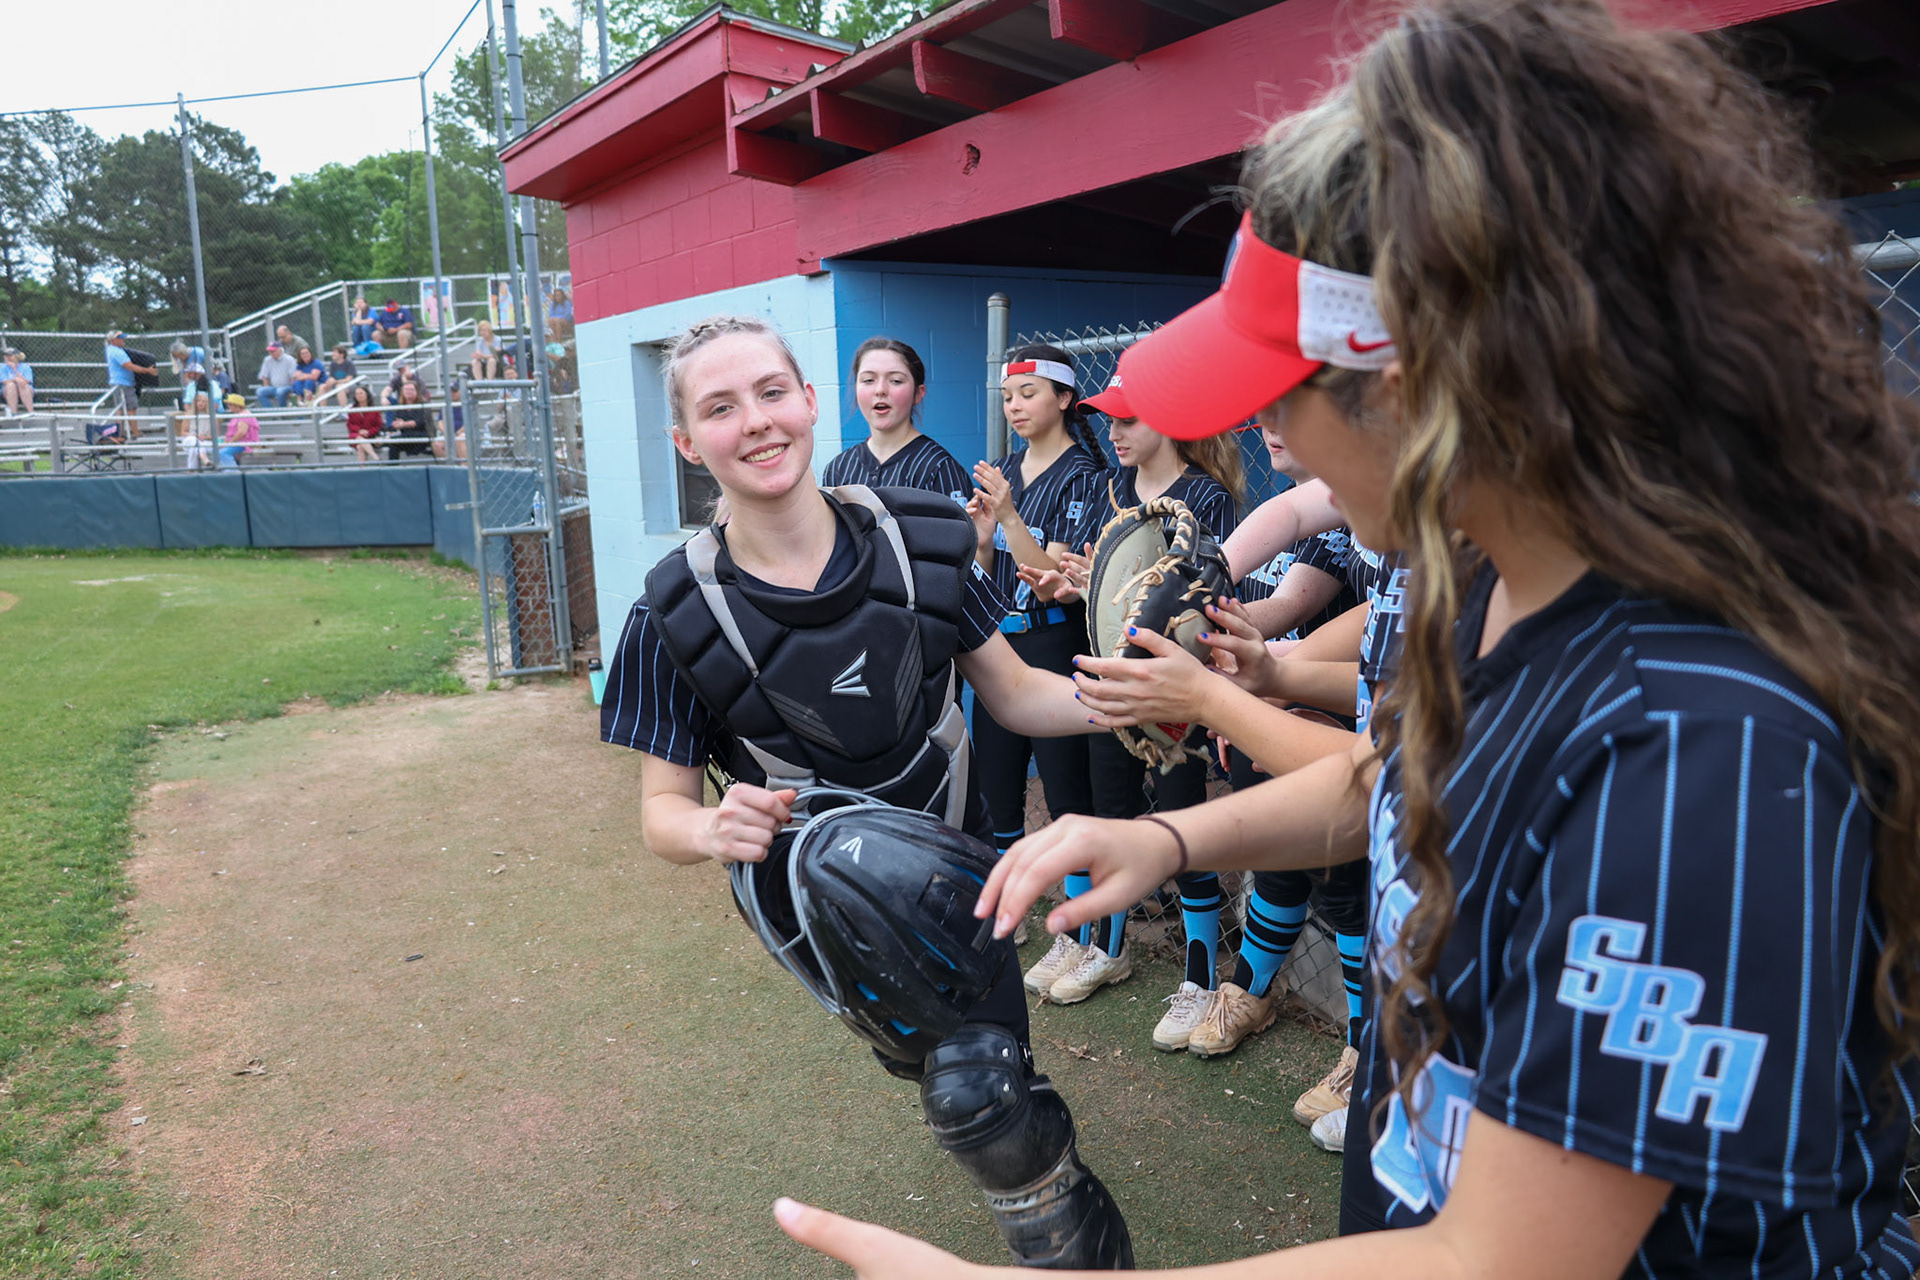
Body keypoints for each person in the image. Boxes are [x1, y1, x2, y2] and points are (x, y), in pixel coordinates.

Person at [775, 2, 1920, 1275]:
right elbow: (1406, 776)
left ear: (1434, 389)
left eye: (1282, 397)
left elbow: (1504, 1259)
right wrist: (1166, 835)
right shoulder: (1487, 576)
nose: (1282, 446)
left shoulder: (1695, 734)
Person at [603, 314, 1133, 1270]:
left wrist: (1141, 701)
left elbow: (1014, 690)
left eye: (771, 392)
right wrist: (709, 827)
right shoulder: (669, 613)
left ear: (809, 403)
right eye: (719, 409)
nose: (756, 422)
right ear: (687, 442)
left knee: (978, 1087)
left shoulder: (921, 539)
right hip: (835, 913)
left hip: (972, 869)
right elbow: (661, 813)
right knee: (960, 1071)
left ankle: (1067, 1235)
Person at [1040, 371, 1243, 1024]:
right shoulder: (1115, 489)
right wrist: (1083, 586)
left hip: (1176, 694)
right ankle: (1109, 948)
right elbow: (1118, 586)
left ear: (1173, 420)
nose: (1115, 431)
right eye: (1110, 419)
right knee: (1113, 813)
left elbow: (1204, 601)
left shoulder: (1205, 497)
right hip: (1112, 680)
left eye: (1130, 419)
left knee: (1180, 831)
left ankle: (1201, 979)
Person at [820, 337, 969, 503]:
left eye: (895, 381)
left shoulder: (939, 468)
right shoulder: (840, 468)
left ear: (918, 393)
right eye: (868, 380)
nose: (880, 390)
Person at [103, 331, 155, 440]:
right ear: (113, 340)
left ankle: (120, 433)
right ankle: (136, 433)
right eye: (119, 338)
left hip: (121, 383)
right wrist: (147, 371)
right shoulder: (117, 352)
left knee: (121, 409)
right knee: (131, 408)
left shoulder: (113, 350)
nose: (122, 339)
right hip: (123, 384)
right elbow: (129, 366)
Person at [384, 380, 435, 461]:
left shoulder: (423, 405)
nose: (408, 392)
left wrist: (404, 424)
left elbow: (420, 422)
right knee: (392, 443)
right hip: (406, 435)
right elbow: (397, 422)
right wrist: (395, 425)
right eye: (406, 390)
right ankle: (392, 469)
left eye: (411, 389)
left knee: (394, 440)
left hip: (423, 434)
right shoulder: (400, 407)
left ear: (417, 391)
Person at [217, 394, 258, 469]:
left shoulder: (244, 415)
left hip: (243, 444)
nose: (228, 407)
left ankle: (232, 472)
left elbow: (241, 432)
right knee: (215, 448)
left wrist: (230, 442)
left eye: (230, 405)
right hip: (237, 442)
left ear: (236, 405)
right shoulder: (239, 414)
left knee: (223, 453)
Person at [344, 383, 383, 463]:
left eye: (361, 393)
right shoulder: (352, 409)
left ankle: (363, 469)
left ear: (367, 395)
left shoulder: (374, 410)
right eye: (357, 394)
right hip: (355, 435)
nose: (359, 395)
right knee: (359, 438)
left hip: (370, 436)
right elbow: (349, 424)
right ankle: (376, 458)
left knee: (360, 447)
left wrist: (369, 432)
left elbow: (378, 425)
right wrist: (359, 430)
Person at [256, 343, 296, 409]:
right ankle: (271, 412)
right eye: (270, 351)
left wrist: (293, 391)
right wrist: (266, 388)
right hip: (274, 388)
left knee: (280, 391)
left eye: (273, 351)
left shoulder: (289, 359)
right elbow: (265, 376)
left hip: (287, 387)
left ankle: (283, 413)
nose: (271, 353)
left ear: (280, 350)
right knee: (260, 391)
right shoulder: (267, 360)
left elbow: (293, 377)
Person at [1, 347, 33, 415]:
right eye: (6, 356)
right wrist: (15, 379)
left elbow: (27, 381)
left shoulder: (25, 367)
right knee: (11, 385)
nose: (8, 357)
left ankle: (31, 412)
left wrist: (15, 370)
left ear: (17, 356)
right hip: (8, 391)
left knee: (23, 385)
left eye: (10, 355)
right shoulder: (2, 367)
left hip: (25, 389)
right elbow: (3, 381)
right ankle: (14, 413)